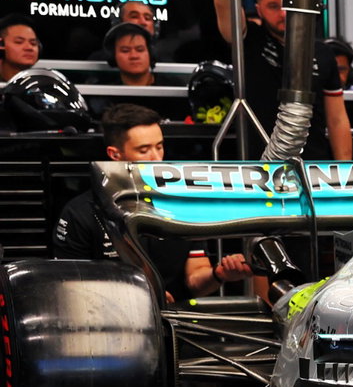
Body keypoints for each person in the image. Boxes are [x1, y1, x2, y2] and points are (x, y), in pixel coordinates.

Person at [52, 104, 251, 304]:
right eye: (144, 150)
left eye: (159, 146)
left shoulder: (182, 205)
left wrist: (219, 274)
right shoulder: (80, 213)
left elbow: (195, 279)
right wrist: (139, 296)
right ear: (114, 154)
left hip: (175, 319)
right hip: (106, 318)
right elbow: (73, 289)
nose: (156, 158)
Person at [211, 0, 352, 159]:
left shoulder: (323, 52)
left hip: (313, 165)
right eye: (273, 6)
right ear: (259, 10)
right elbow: (223, 3)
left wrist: (344, 169)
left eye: (287, 5)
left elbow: (337, 119)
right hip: (260, 165)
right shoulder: (250, 40)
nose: (283, 14)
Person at [105, 22, 156, 87]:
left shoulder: (168, 88)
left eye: (140, 50)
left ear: (150, 54)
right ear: (113, 57)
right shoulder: (102, 91)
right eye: (125, 51)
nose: (134, 56)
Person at [0, 15, 40, 82]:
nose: (29, 48)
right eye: (19, 42)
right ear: (1, 44)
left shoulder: (44, 84)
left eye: (33, 43)